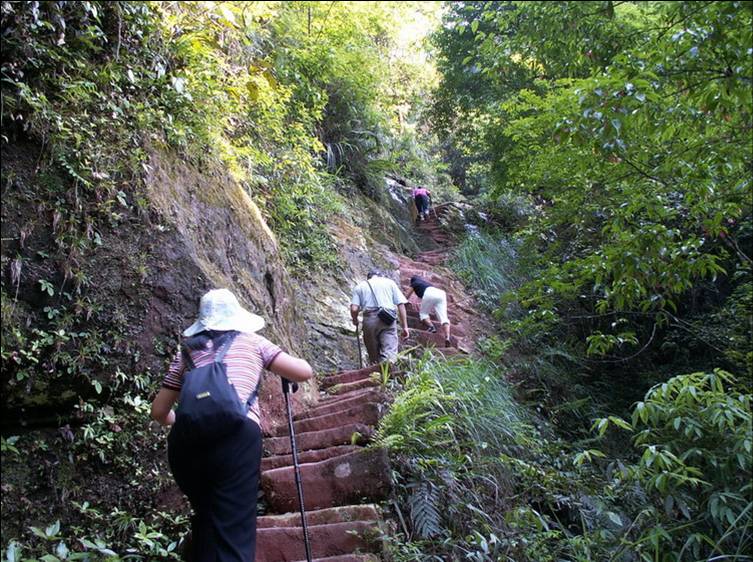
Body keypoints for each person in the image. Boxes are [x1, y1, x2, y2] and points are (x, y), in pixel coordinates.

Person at [150, 288, 313, 561]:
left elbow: (158, 412)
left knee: (207, 519)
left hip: (185, 446)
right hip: (235, 438)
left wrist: (193, 421)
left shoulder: (186, 353)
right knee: (233, 529)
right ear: (236, 317)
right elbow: (303, 372)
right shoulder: (253, 342)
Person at [351, 270, 410, 364]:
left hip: (369, 320)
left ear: (368, 278)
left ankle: (375, 373)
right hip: (387, 318)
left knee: (373, 353)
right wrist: (405, 327)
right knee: (389, 352)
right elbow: (401, 304)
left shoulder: (360, 286)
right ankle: (388, 372)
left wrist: (355, 320)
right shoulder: (390, 283)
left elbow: (354, 309)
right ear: (381, 276)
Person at [404, 275, 452, 347]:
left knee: (423, 313)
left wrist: (404, 302)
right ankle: (447, 337)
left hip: (429, 294)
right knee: (444, 318)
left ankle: (431, 327)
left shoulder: (414, 283)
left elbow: (406, 296)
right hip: (441, 293)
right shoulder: (426, 284)